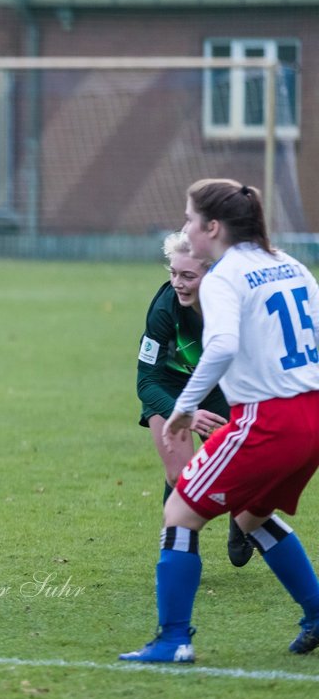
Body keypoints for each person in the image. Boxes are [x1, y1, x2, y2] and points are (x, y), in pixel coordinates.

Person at [120, 178, 319, 663]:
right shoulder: (289, 264)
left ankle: (172, 640)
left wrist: (184, 407)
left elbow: (223, 344)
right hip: (312, 414)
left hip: (270, 418)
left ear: (212, 226)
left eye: (190, 218)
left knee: (180, 514)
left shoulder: (228, 274)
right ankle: (316, 614)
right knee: (252, 516)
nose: (186, 227)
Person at [137, 231, 253, 567]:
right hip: (168, 386)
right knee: (181, 474)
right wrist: (183, 411)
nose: (177, 283)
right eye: (173, 273)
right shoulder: (164, 309)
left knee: (242, 469)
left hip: (217, 389)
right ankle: (178, 548)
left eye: (188, 275)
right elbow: (146, 382)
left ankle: (240, 523)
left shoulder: (237, 306)